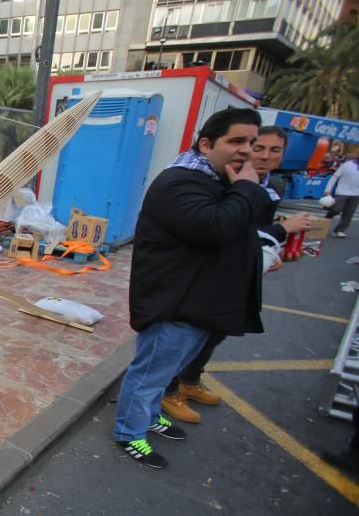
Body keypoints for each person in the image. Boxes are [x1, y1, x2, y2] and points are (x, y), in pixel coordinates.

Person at [112, 108, 272, 469]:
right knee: (152, 371)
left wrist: (247, 191)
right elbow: (214, 227)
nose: (247, 150)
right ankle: (128, 431)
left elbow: (243, 224)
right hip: (176, 301)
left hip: (201, 301)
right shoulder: (180, 182)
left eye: (252, 142)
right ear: (206, 144)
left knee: (166, 371)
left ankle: (148, 416)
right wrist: (247, 188)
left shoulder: (218, 181)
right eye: (236, 141)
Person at [160, 126, 312, 423]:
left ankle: (190, 381)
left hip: (239, 269)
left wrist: (270, 250)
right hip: (208, 276)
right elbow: (225, 229)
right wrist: (281, 230)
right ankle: (169, 390)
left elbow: (248, 234)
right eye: (257, 148)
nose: (263, 156)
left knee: (216, 332)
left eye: (274, 150)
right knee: (192, 334)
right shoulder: (227, 183)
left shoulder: (269, 185)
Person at [322, 155, 359, 238]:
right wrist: (327, 190)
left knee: (348, 213)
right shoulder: (348, 164)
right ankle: (327, 217)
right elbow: (335, 177)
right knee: (336, 209)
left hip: (356, 194)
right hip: (342, 191)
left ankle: (339, 230)